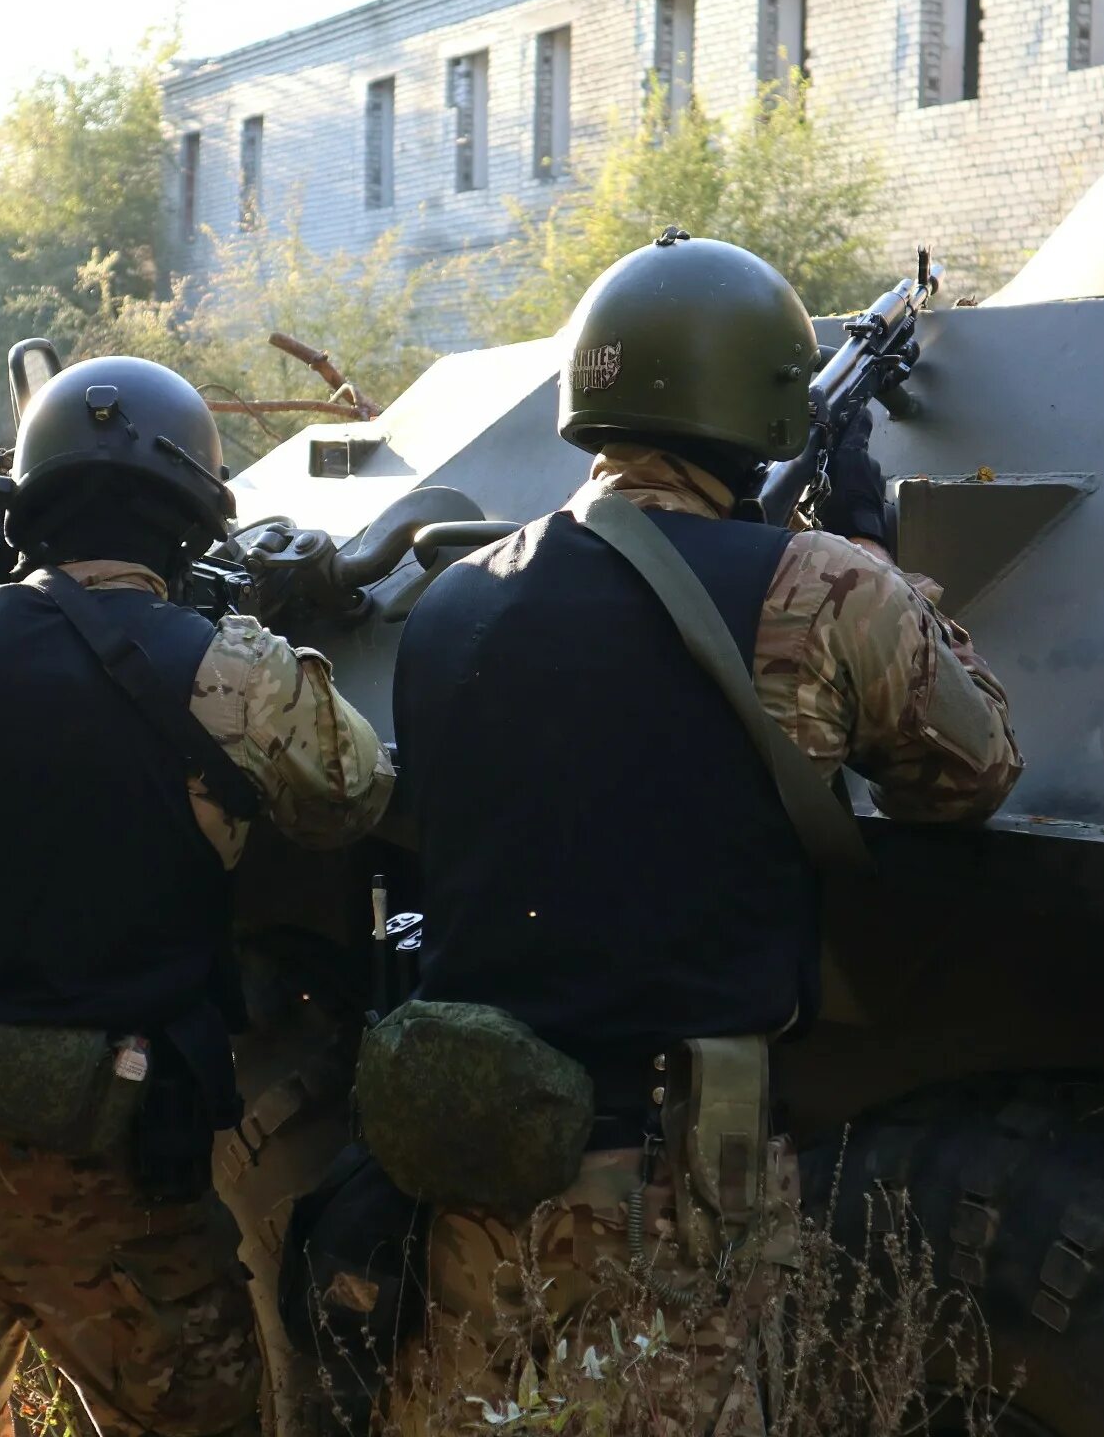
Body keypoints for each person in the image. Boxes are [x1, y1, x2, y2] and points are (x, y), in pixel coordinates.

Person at [384, 233, 1023, 1431]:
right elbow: (968, 773)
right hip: (672, 1185)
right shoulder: (819, 586)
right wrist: (876, 558)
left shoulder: (453, 598)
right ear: (769, 406)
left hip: (478, 1156)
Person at [0, 355, 394, 1437]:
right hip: (115, 1161)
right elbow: (355, 791)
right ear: (193, 517)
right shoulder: (223, 670)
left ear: (28, 506)